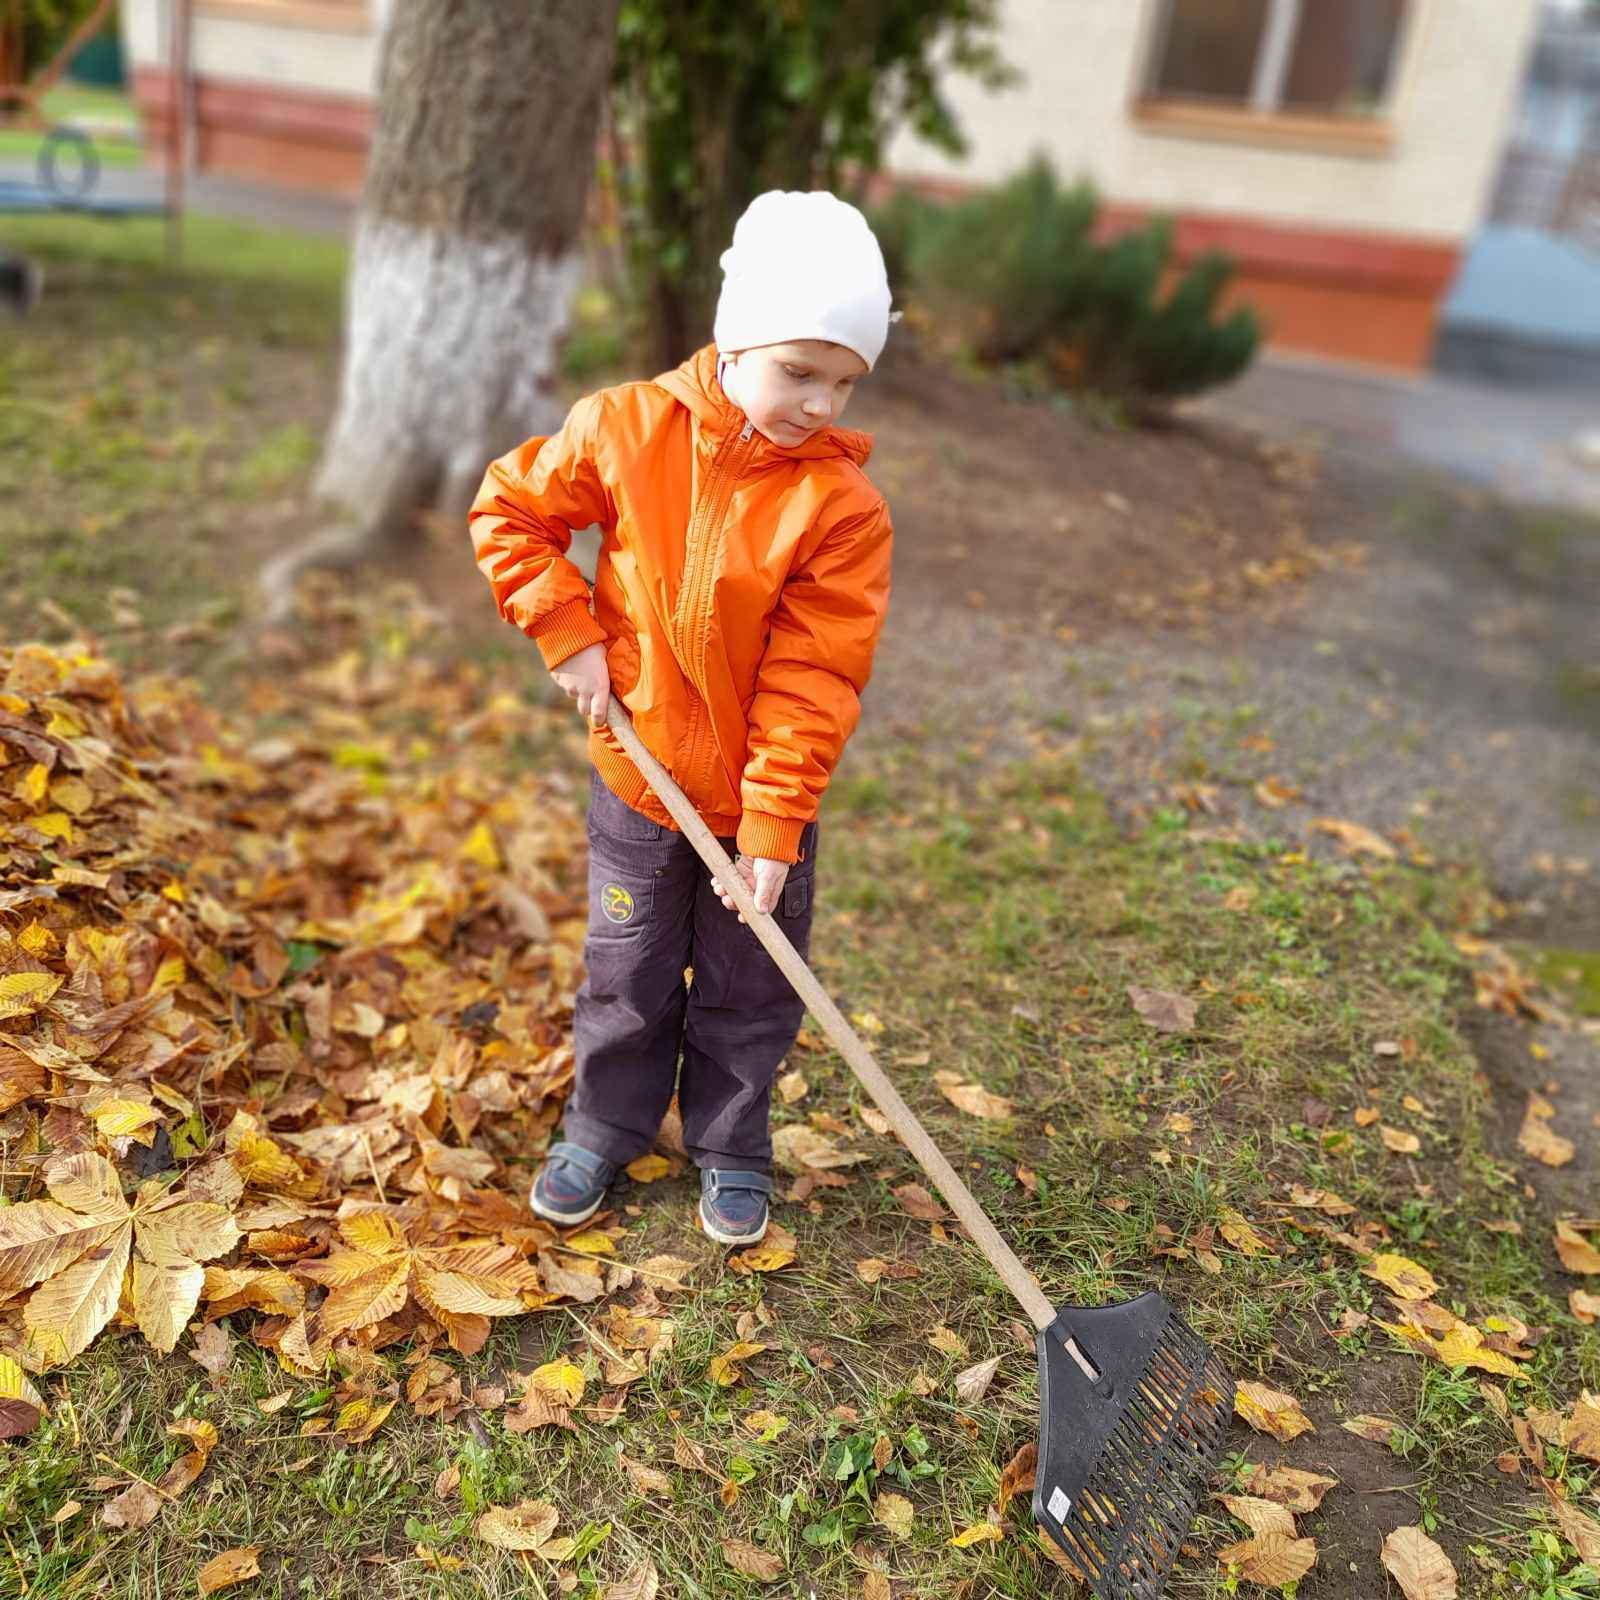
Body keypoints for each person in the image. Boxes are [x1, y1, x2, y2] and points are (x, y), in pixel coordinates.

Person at [469, 189, 893, 1246]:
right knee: (625, 974)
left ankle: (732, 1143)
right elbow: (510, 510)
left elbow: (816, 674)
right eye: (797, 370)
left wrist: (772, 826)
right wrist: (567, 630)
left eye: (842, 382)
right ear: (733, 335)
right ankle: (604, 1124)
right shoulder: (623, 428)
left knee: (752, 987)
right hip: (636, 779)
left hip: (759, 807)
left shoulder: (840, 510)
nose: (816, 404)